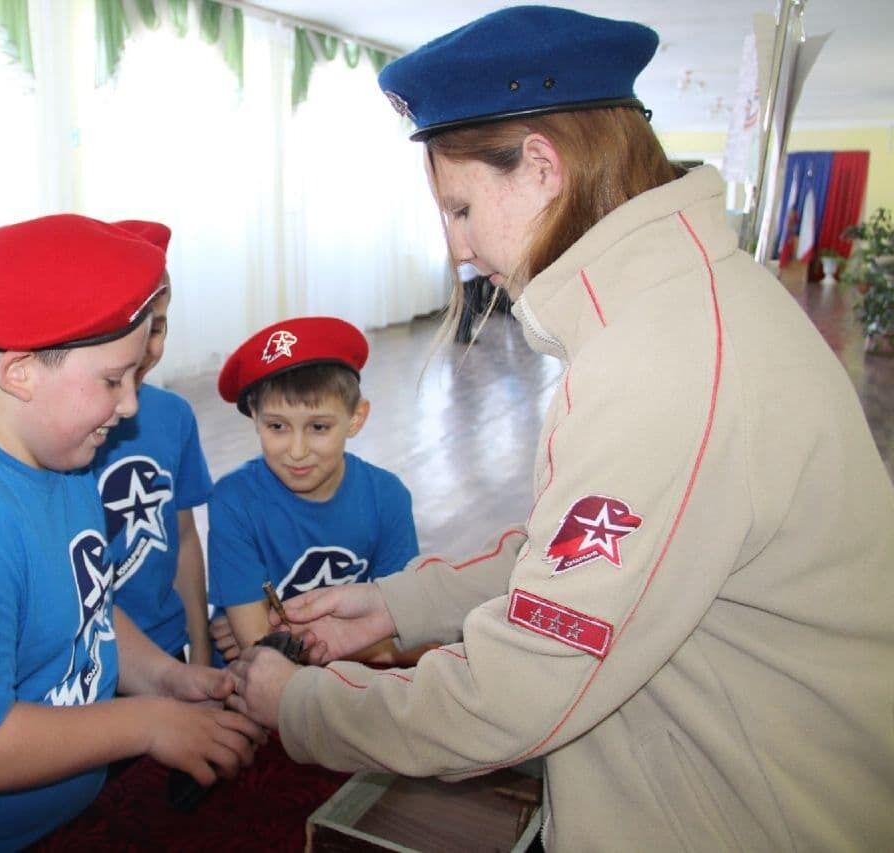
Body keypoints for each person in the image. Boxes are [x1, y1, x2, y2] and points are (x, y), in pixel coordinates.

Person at [227, 6, 894, 852]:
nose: (458, 248)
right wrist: (392, 605)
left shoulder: (661, 364)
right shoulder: (679, 311)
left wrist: (298, 705)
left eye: (462, 207)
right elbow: (573, 558)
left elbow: (515, 689)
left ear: (541, 167)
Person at [0, 214, 263, 851]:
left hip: (62, 819)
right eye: (111, 380)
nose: (130, 406)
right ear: (20, 373)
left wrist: (163, 678)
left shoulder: (62, 454)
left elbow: (86, 606)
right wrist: (145, 724)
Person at [206, 316, 419, 662]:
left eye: (318, 427)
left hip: (349, 683)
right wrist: (371, 646)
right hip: (258, 692)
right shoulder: (233, 502)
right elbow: (258, 649)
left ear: (356, 419)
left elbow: (398, 619)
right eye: (277, 426)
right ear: (255, 419)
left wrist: (291, 642)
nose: (297, 450)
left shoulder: (389, 497)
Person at [93, 219, 213, 667]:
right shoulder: (58, 439)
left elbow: (183, 538)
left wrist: (201, 650)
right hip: (86, 662)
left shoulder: (174, 417)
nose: (143, 349)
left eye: (157, 329)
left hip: (167, 647)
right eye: (126, 331)